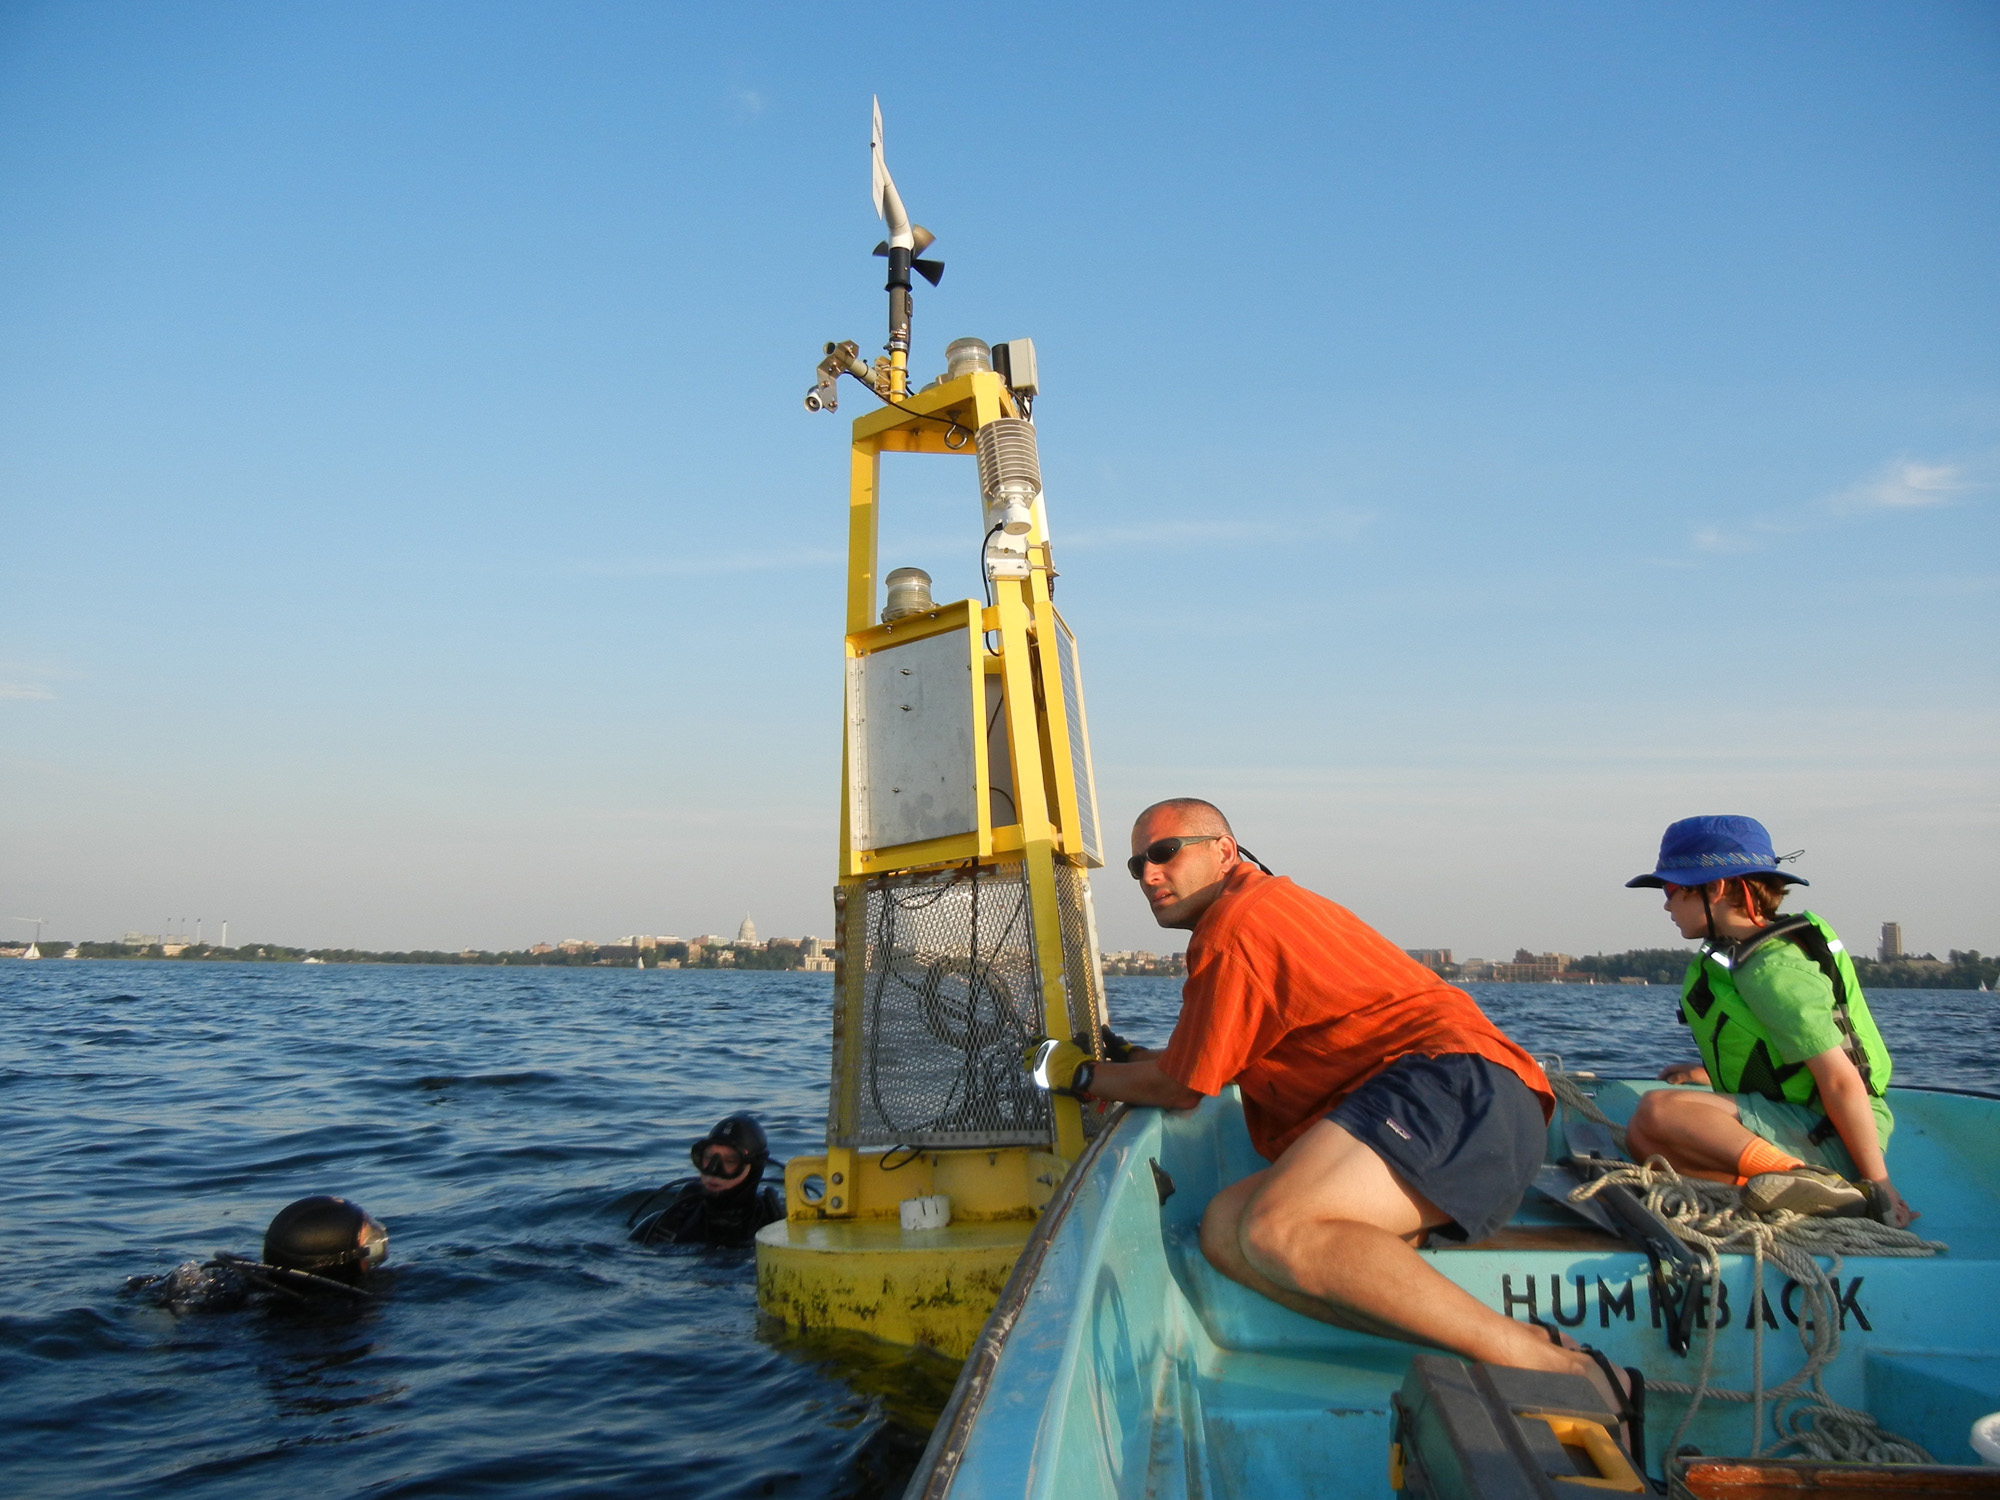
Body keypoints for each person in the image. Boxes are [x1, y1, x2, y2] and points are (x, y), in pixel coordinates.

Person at [1026, 798, 1642, 1439]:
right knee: (1226, 1231)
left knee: (1276, 1227)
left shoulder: (1237, 926)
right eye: (1136, 865)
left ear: (1224, 852)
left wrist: (1078, 1076)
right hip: (1469, 1114)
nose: (1149, 874)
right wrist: (1131, 1059)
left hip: (1455, 1087)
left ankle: (1551, 1368)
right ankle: (1509, 1344)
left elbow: (1182, 1089)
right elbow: (1201, 1060)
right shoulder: (1259, 915)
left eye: (1163, 852)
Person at [1624, 815, 1913, 1227]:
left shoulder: (1772, 970)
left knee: (1657, 1111)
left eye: (1672, 889)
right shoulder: (1742, 956)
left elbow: (1839, 1079)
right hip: (1796, 1112)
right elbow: (1778, 1053)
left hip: (1827, 1129)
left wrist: (1879, 1182)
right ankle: (1788, 1196)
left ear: (1716, 888)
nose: (1666, 903)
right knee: (1641, 1140)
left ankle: (1817, 1185)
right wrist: (1707, 1074)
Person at [127, 1195, 389, 1311]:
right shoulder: (337, 1313)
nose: (380, 1242)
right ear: (337, 1260)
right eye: (371, 1243)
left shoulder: (246, 1283)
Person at [629, 1114, 785, 1247]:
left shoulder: (779, 1230)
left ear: (755, 1167)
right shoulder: (663, 1226)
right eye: (709, 1157)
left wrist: (783, 1236)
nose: (714, 1171)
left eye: (731, 1160)